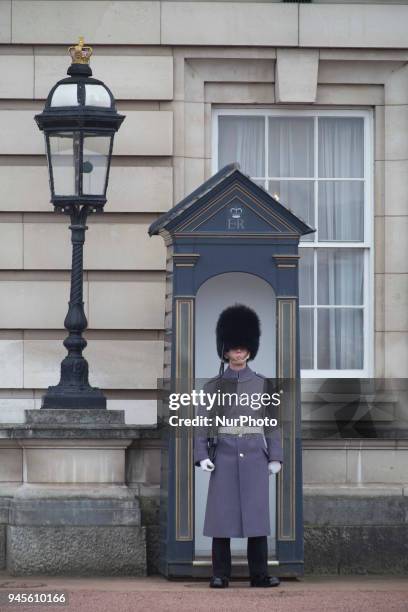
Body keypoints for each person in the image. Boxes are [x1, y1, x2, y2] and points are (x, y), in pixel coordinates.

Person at [193, 303, 283, 588]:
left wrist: (276, 456)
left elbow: (274, 424)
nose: (239, 353)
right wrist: (201, 456)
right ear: (226, 350)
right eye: (234, 348)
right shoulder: (212, 387)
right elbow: (200, 423)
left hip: (256, 455)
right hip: (225, 456)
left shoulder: (264, 385)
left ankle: (259, 575)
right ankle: (220, 574)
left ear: (250, 349)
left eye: (244, 348)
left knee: (257, 520)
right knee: (222, 520)